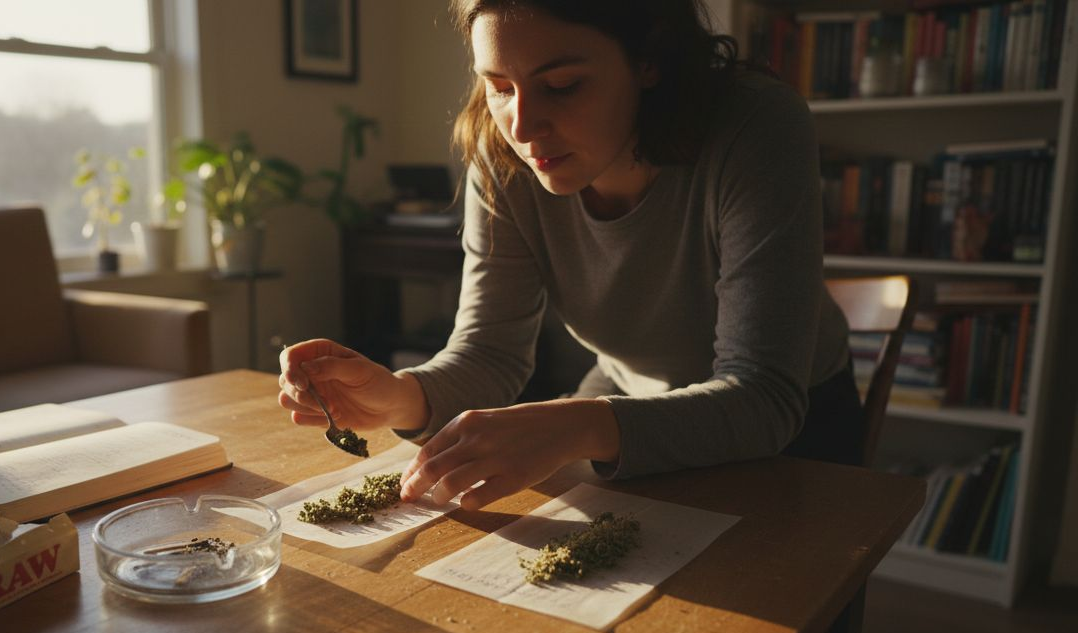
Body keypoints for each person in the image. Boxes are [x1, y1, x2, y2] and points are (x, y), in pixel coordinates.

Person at [279, 0, 861, 512]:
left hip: (792, 429)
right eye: (499, 87)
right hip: (625, 402)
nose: (523, 127)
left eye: (561, 86)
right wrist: (398, 397)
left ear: (650, 61)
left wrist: (575, 424)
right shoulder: (501, 155)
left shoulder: (754, 125)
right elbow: (489, 352)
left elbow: (763, 396)